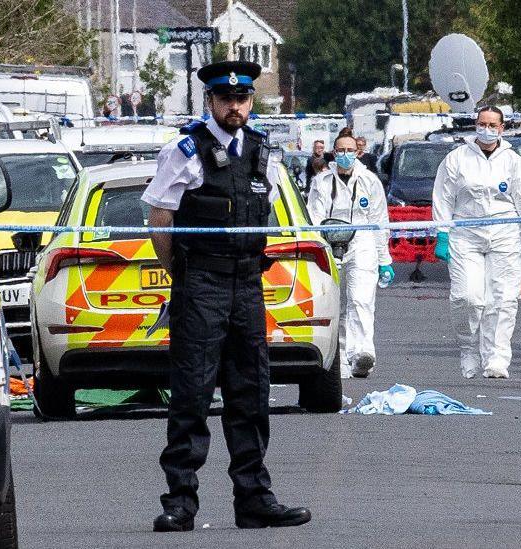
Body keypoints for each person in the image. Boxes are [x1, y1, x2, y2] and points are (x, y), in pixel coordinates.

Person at [143, 60, 311, 532]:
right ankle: (180, 502)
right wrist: (180, 274)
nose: (233, 106)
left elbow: (269, 217)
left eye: (241, 99)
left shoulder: (263, 152)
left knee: (251, 392)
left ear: (251, 102)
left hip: (247, 286)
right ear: (211, 101)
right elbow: (160, 219)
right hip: (201, 283)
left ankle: (254, 498)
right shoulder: (185, 150)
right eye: (225, 99)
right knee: (192, 394)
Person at [432, 106, 521, 379]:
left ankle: (496, 358)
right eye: (482, 123)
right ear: (475, 125)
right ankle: (468, 348)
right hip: (465, 234)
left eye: (492, 124)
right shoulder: (456, 159)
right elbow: (443, 197)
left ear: (502, 128)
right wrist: (442, 233)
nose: (486, 128)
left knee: (503, 299)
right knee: (467, 296)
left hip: (506, 235)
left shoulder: (514, 162)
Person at [307, 131, 394, 379]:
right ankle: (340, 357)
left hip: (362, 241)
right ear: (334, 153)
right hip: (330, 242)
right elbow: (314, 218)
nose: (345, 155)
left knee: (361, 299)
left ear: (358, 153)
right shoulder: (322, 182)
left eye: (350, 151)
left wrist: (384, 259)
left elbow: (380, 221)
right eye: (340, 151)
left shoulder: (370, 181)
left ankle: (362, 353)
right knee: (336, 302)